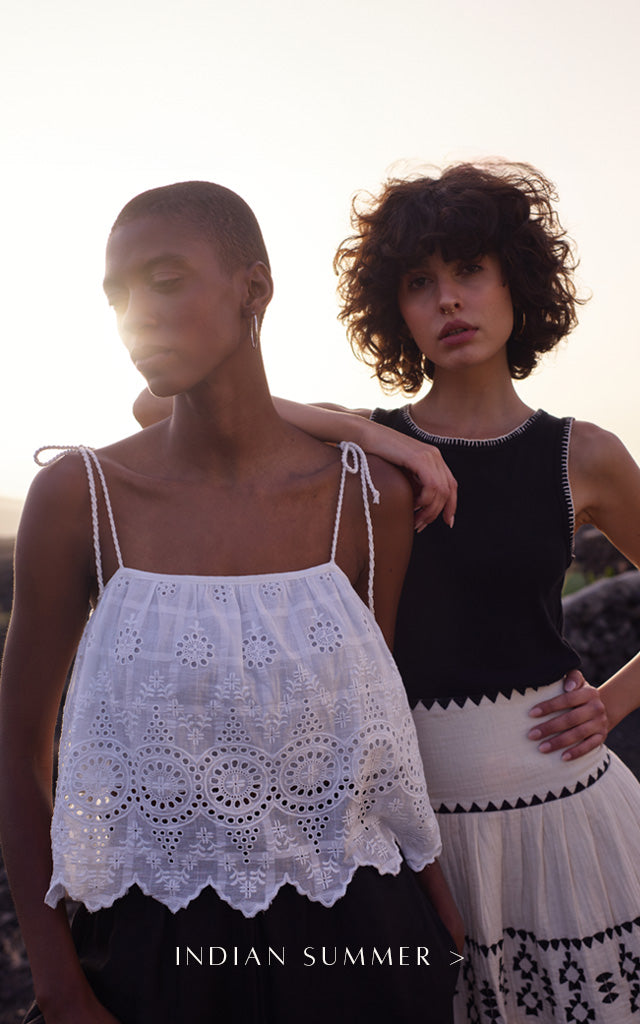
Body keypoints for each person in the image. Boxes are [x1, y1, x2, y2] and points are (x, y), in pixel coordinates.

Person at [136, 161, 640, 1022]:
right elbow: (154, 406)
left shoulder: (581, 453)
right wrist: (380, 439)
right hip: (410, 832)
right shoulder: (366, 448)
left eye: (469, 271)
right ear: (394, 310)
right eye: (419, 283)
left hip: (565, 816)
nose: (448, 301)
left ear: (517, 281)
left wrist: (615, 699)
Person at [0, 181, 463, 1024]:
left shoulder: (369, 502)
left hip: (363, 945)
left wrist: (442, 921)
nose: (135, 312)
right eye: (117, 293)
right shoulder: (82, 497)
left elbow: (376, 744)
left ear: (255, 288)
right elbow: (18, 744)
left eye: (166, 279)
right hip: (148, 954)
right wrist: (60, 986)